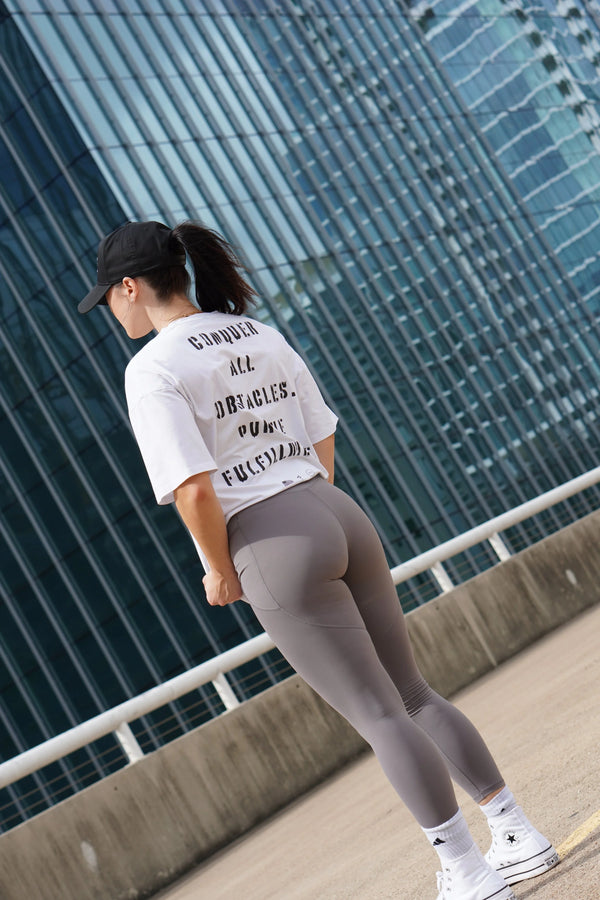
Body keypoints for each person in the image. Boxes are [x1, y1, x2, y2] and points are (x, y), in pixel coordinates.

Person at [78, 220, 560, 899]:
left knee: (378, 713)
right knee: (414, 694)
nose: (113, 311)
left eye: (111, 298)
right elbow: (322, 431)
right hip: (336, 512)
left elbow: (193, 487)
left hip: (270, 537)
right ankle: (516, 832)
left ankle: (467, 870)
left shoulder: (154, 367)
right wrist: (310, 505)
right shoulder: (259, 334)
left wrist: (219, 567)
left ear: (131, 287)